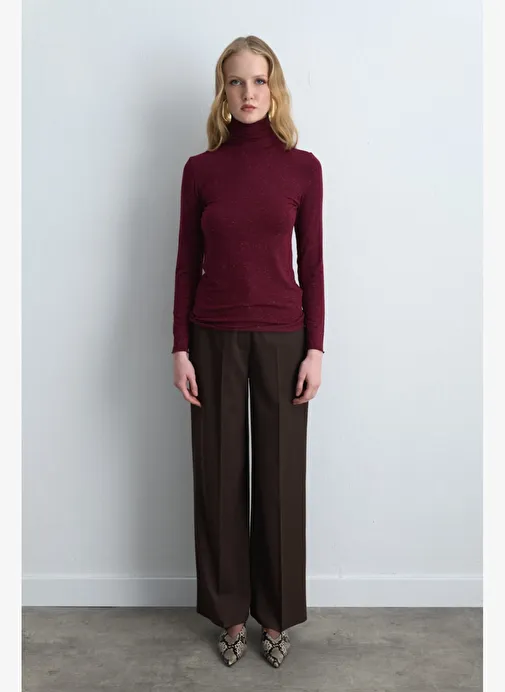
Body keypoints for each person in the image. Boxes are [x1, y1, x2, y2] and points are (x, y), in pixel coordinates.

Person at [171, 35, 325, 668]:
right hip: (212, 338)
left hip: (284, 338)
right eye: (236, 81)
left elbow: (313, 264)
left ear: (274, 88)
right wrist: (180, 347)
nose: (248, 93)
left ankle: (276, 617)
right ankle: (230, 613)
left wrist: (316, 348)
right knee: (219, 477)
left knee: (280, 482)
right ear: (222, 92)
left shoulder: (303, 167)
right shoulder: (200, 170)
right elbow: (186, 263)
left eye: (259, 80)